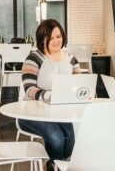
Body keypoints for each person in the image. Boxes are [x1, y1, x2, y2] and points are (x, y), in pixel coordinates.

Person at [19, 19, 81, 171]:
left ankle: (54, 166)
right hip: (32, 114)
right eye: (51, 38)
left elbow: (79, 86)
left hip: (60, 113)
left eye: (58, 36)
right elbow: (29, 88)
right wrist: (49, 96)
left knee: (72, 139)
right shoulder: (34, 58)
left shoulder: (71, 60)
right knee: (56, 138)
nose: (56, 41)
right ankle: (54, 167)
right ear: (42, 39)